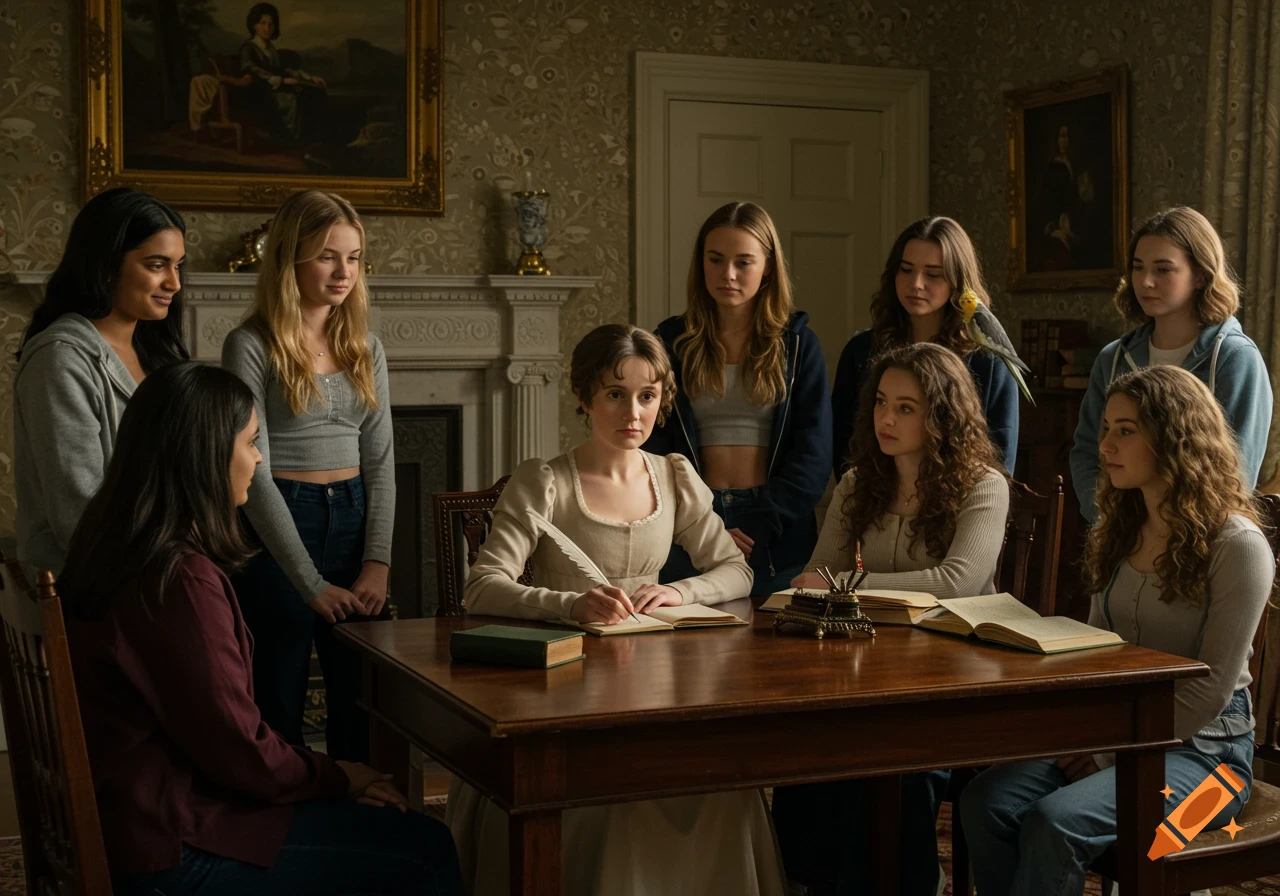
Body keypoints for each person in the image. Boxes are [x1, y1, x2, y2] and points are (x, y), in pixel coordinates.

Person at [59, 362, 463, 895]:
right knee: (426, 849)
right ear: (204, 454)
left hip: (142, 812)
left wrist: (322, 780)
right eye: (251, 442)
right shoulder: (178, 580)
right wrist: (340, 775)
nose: (258, 459)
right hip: (171, 845)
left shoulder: (117, 545)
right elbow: (241, 753)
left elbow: (225, 743)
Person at [448, 323, 784, 896]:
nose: (634, 411)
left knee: (717, 780)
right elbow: (483, 588)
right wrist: (572, 604)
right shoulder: (545, 481)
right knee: (603, 792)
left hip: (654, 679)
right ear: (583, 397)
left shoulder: (673, 475)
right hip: (563, 682)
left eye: (647, 396)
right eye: (615, 394)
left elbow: (736, 571)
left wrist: (681, 592)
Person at [963, 365, 1271, 896]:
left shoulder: (1237, 545)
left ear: (1177, 438)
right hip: (1119, 731)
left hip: (1213, 762)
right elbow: (1100, 652)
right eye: (1107, 427)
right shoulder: (1118, 528)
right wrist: (1081, 735)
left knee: (1054, 822)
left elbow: (1209, 689)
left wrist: (1106, 753)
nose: (1105, 444)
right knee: (984, 801)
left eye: (1126, 430)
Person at [772, 342, 1011, 896]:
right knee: (804, 742)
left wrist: (845, 587)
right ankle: (816, 883)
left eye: (907, 407)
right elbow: (814, 574)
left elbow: (956, 583)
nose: (886, 417)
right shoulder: (860, 482)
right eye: (881, 402)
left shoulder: (983, 485)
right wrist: (820, 589)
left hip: (957, 671)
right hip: (871, 666)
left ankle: (907, 883)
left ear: (942, 415)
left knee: (902, 764)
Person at [222, 190, 393, 762]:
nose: (344, 271)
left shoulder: (366, 345)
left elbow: (382, 462)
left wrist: (379, 560)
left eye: (354, 257)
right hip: (277, 521)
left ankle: (360, 819)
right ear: (289, 260)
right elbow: (254, 473)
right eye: (327, 256)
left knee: (361, 698)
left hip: (353, 516)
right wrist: (308, 582)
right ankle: (287, 833)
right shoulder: (250, 345)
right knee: (278, 693)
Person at [644, 200, 831, 597]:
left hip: (776, 530)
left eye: (743, 262)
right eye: (715, 260)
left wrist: (759, 526)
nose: (727, 274)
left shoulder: (797, 346)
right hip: (689, 524)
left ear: (767, 269)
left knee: (774, 651)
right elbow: (652, 444)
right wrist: (698, 522)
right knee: (686, 651)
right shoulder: (671, 341)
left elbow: (813, 456)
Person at [14, 186, 188, 576]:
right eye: (157, 265)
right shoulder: (60, 357)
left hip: (164, 566)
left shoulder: (158, 352)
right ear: (107, 264)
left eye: (178, 265)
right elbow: (77, 511)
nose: (174, 284)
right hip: (90, 583)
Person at [1070, 206, 1272, 522]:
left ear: (1201, 275)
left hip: (1197, 539)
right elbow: (1086, 452)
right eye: (1138, 268)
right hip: (1117, 538)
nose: (1146, 282)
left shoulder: (1235, 358)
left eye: (1163, 269)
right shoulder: (1112, 359)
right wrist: (1107, 521)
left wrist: (1170, 532)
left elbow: (1238, 471)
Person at [830, 216, 1019, 478]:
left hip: (961, 508)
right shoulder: (861, 351)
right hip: (872, 505)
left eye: (933, 274)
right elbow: (843, 447)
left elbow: (1000, 465)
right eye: (906, 270)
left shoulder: (988, 363)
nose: (916, 284)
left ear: (958, 282)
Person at [239, 2, 328, 149]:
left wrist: (310, 77)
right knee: (292, 98)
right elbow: (252, 70)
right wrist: (281, 80)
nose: (267, 28)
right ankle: (294, 142)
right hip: (259, 92)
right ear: (254, 25)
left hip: (277, 86)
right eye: (263, 23)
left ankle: (314, 140)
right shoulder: (248, 48)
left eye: (271, 24)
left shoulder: (270, 48)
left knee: (315, 91)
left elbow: (283, 70)